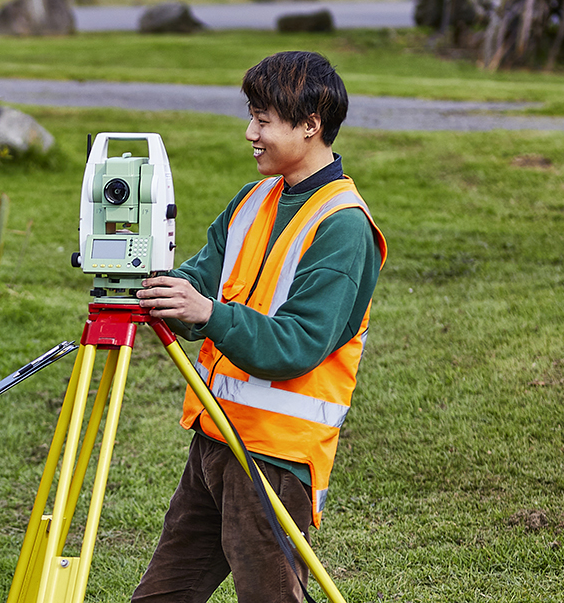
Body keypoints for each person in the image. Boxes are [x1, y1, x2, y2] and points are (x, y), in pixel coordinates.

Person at [131, 51, 387, 602]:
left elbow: (295, 345)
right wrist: (147, 283)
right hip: (216, 440)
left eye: (262, 120)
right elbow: (197, 279)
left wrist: (208, 313)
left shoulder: (343, 227)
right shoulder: (253, 200)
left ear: (310, 126)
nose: (250, 132)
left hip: (272, 457)